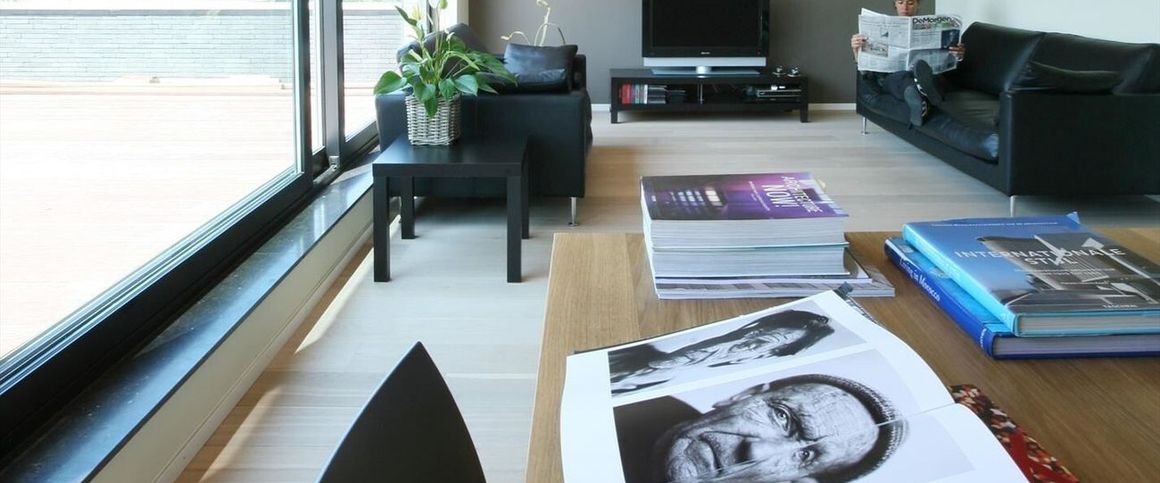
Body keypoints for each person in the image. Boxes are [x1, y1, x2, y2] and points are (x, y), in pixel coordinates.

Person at [614, 374, 906, 483]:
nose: (757, 452)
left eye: (805, 456)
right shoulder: (618, 394)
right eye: (782, 417)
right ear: (743, 396)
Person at [609, 310, 835, 395]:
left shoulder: (667, 388)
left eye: (759, 344)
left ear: (762, 356)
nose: (744, 342)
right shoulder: (633, 348)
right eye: (754, 332)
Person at [850, 0, 966, 126]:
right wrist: (856, 50)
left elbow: (949, 60)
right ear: (895, 5)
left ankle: (921, 96)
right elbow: (864, 69)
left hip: (928, 72)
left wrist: (958, 55)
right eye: (900, 2)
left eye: (910, 3)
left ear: (918, 4)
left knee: (929, 75)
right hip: (896, 77)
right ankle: (921, 93)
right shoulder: (881, 29)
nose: (905, 7)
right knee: (901, 78)